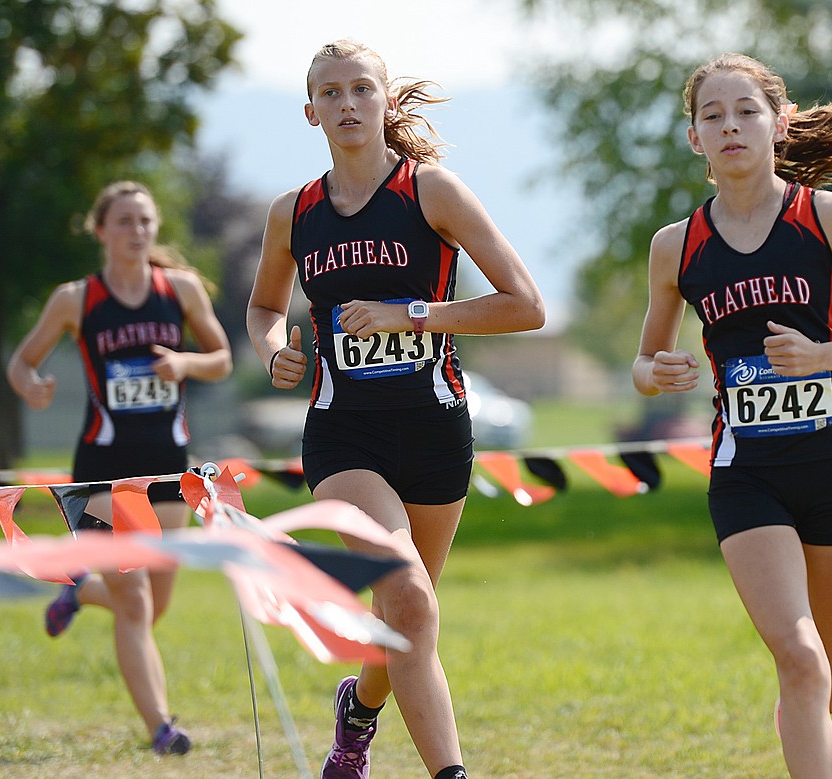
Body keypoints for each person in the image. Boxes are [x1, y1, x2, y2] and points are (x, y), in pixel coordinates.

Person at [246, 39, 545, 779]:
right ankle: (452, 772)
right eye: (331, 93)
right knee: (408, 596)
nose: (347, 104)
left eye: (361, 90)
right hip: (343, 435)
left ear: (384, 101)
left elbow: (525, 306)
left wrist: (409, 313)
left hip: (436, 430)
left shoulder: (431, 192)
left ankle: (357, 712)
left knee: (404, 615)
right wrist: (271, 346)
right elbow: (261, 306)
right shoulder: (294, 212)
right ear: (310, 112)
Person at [632, 54, 832, 778]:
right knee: (800, 659)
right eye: (712, 115)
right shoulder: (676, 245)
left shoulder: (824, 214)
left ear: (780, 120)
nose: (730, 125)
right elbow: (646, 362)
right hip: (747, 474)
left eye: (746, 110)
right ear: (695, 136)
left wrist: (827, 355)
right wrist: (657, 371)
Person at [7, 180, 233, 755]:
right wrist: (31, 387)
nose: (137, 231)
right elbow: (21, 361)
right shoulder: (75, 299)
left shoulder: (179, 290)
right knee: (132, 600)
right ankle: (162, 728)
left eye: (146, 221)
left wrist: (185, 362)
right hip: (100, 475)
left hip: (167, 472)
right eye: (125, 221)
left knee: (155, 607)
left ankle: (78, 596)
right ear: (101, 230)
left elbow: (222, 359)